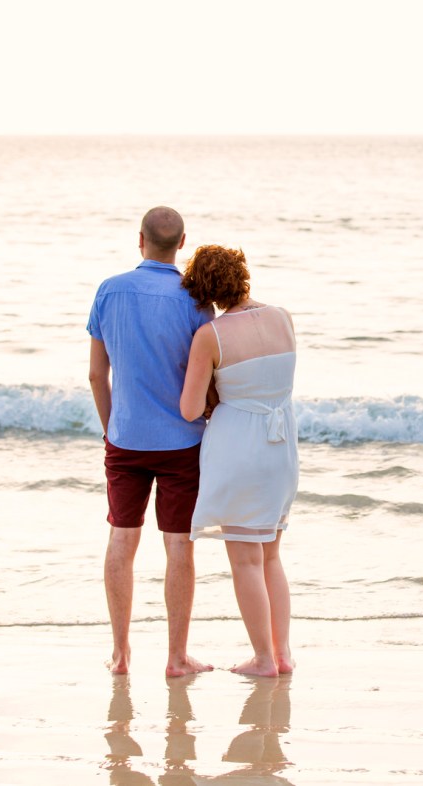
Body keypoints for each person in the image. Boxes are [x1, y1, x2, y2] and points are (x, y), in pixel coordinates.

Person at [87, 206, 214, 677]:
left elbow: (97, 375)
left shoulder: (109, 290)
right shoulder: (195, 300)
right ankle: (177, 659)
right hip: (182, 441)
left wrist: (110, 428)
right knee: (179, 545)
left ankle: (121, 655)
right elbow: (207, 376)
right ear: (182, 244)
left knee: (122, 537)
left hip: (125, 438)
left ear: (139, 239)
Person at [180, 245, 298, 677]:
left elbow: (190, 409)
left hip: (240, 448)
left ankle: (263, 659)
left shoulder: (210, 335)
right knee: (270, 556)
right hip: (282, 446)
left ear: (203, 289)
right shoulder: (283, 317)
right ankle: (282, 653)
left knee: (245, 560)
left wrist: (212, 390)